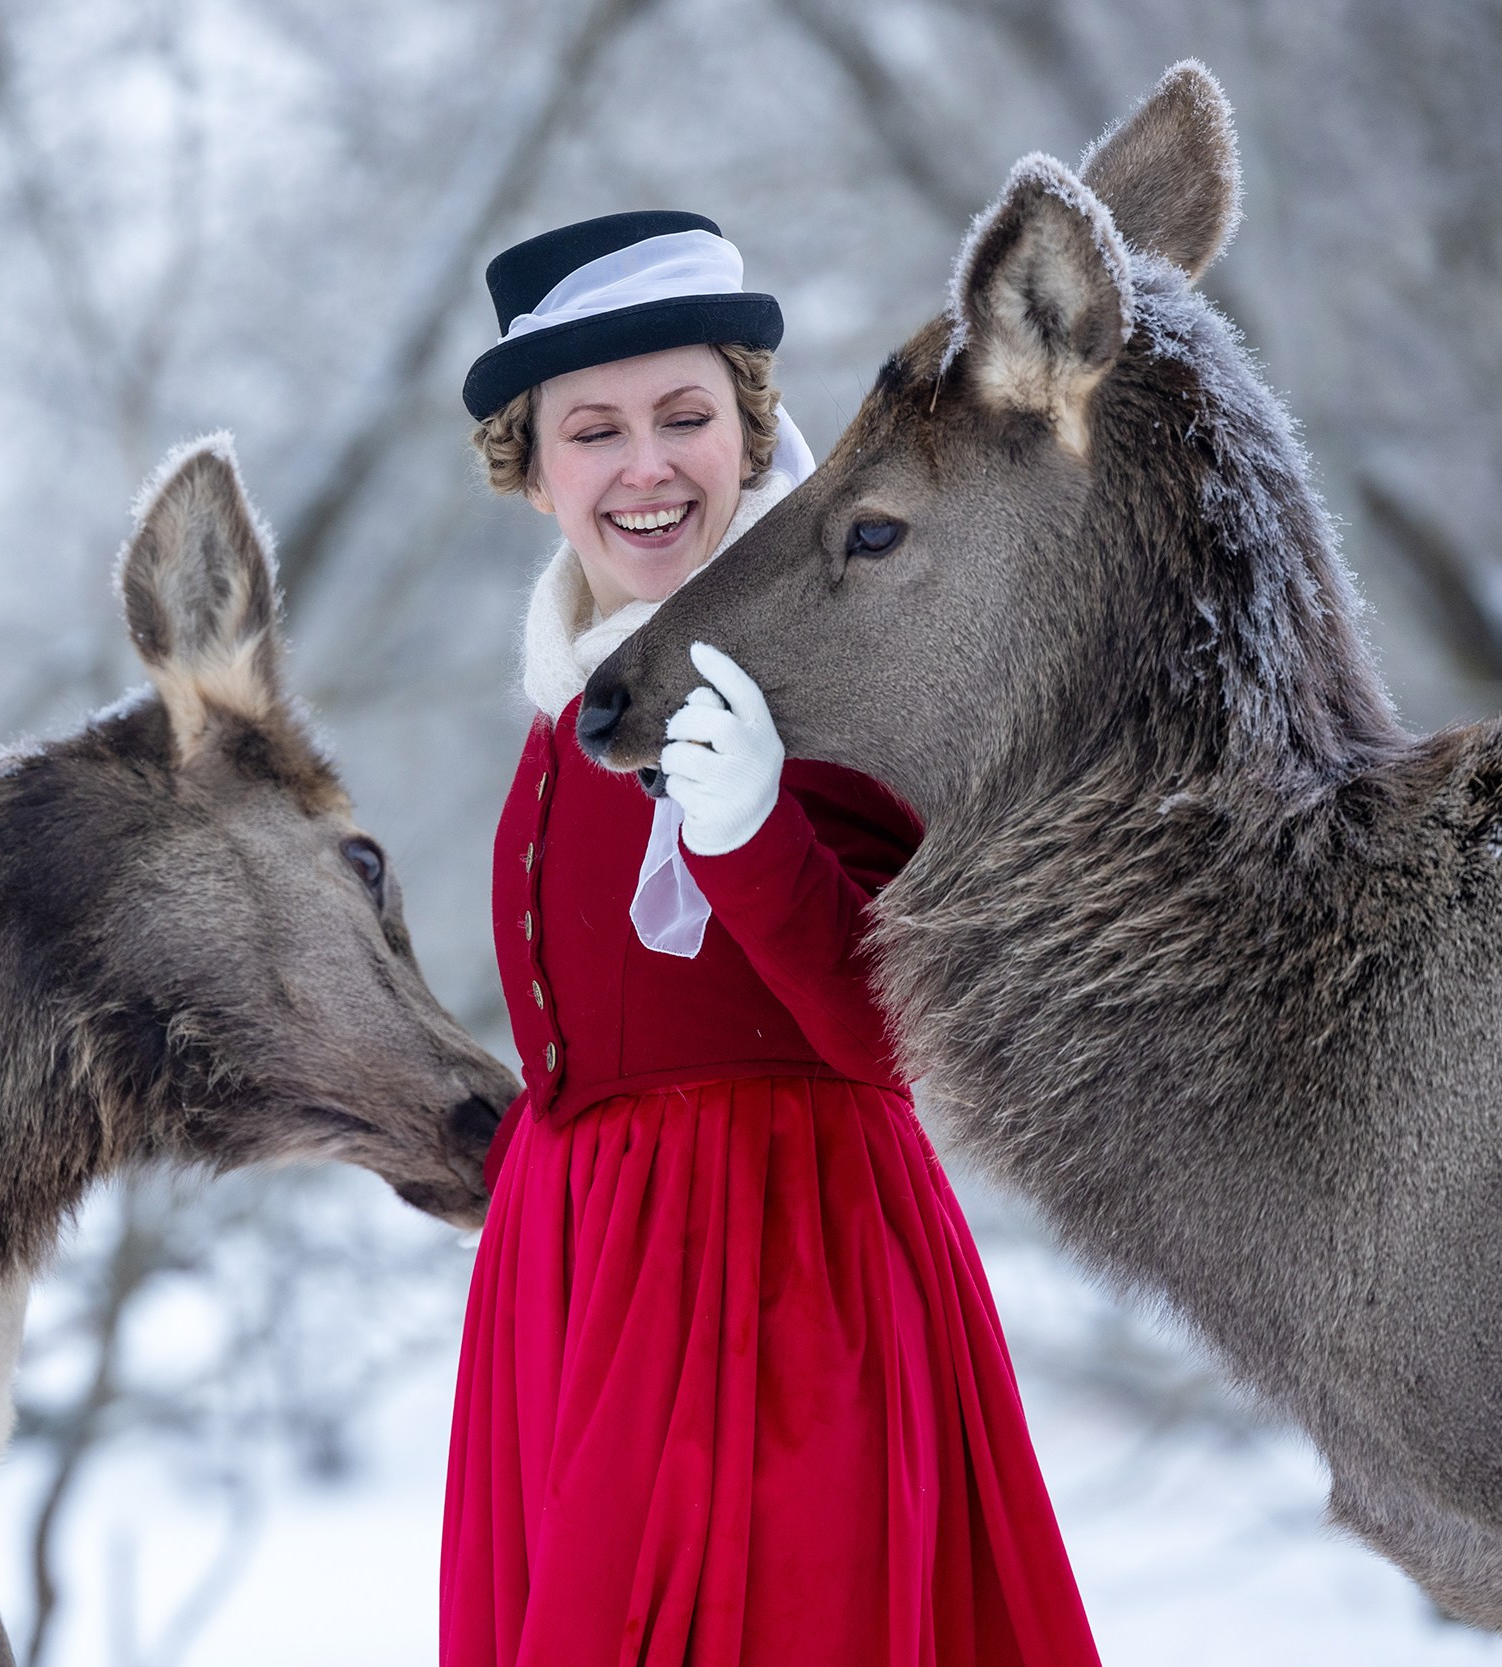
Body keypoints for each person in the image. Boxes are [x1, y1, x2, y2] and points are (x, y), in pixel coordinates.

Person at [441, 210, 1101, 1667]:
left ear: (750, 430)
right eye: (594, 432)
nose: (647, 466)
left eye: (685, 416)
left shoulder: (837, 660)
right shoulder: (571, 682)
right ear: (533, 472)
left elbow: (891, 1038)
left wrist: (748, 835)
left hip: (780, 1277)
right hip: (577, 1275)